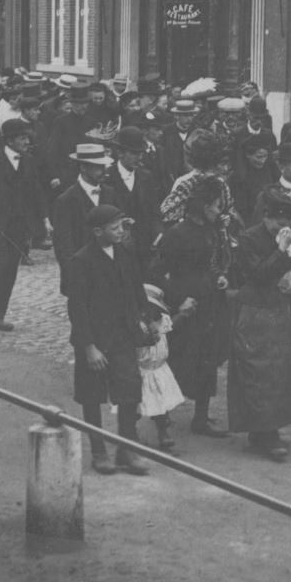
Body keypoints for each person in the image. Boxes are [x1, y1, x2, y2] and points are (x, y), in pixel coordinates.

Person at [64, 203, 153, 476]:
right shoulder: (81, 261)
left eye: (122, 226)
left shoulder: (125, 252)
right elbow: (77, 308)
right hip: (94, 338)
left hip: (122, 335)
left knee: (129, 389)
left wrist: (144, 319)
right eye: (114, 228)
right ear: (97, 231)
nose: (121, 232)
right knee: (92, 396)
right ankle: (99, 452)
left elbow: (136, 289)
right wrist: (89, 347)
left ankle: (126, 449)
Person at [227, 186, 291, 461]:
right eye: (278, 222)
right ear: (267, 217)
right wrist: (281, 251)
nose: (282, 228)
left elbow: (286, 266)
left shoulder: (284, 236)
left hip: (277, 306)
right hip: (255, 310)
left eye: (287, 223)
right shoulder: (248, 239)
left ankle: (267, 429)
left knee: (279, 369)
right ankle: (263, 432)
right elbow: (257, 274)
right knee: (257, 370)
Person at [156, 176, 232, 439]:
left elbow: (210, 264)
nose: (219, 211)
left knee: (207, 360)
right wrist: (178, 301)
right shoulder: (176, 235)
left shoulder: (210, 231)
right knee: (177, 360)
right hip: (185, 307)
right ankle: (162, 417)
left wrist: (218, 279)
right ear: (203, 207)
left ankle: (201, 417)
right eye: (215, 205)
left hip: (208, 303)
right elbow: (156, 273)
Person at [0, 118, 53, 335]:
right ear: (9, 140)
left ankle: (0, 316)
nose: (27, 141)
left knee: (10, 272)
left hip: (20, 226)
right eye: (22, 138)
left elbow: (37, 192)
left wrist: (44, 218)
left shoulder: (29, 161)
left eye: (28, 137)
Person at [51, 144, 122, 296]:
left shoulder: (110, 193)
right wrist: (73, 275)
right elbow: (64, 245)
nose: (103, 172)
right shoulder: (66, 200)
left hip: (110, 270)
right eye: (98, 167)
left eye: (104, 167)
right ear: (83, 167)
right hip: (83, 272)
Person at [137, 284, 186, 451]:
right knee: (135, 404)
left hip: (159, 368)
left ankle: (163, 432)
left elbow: (171, 326)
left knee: (161, 405)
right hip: (142, 369)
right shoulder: (139, 325)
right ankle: (130, 431)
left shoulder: (162, 320)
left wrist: (183, 315)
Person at [106, 126, 163, 268]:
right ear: (120, 152)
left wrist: (158, 234)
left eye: (141, 153)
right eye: (134, 153)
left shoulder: (146, 177)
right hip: (118, 249)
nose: (139, 157)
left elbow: (155, 212)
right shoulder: (107, 178)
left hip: (145, 248)